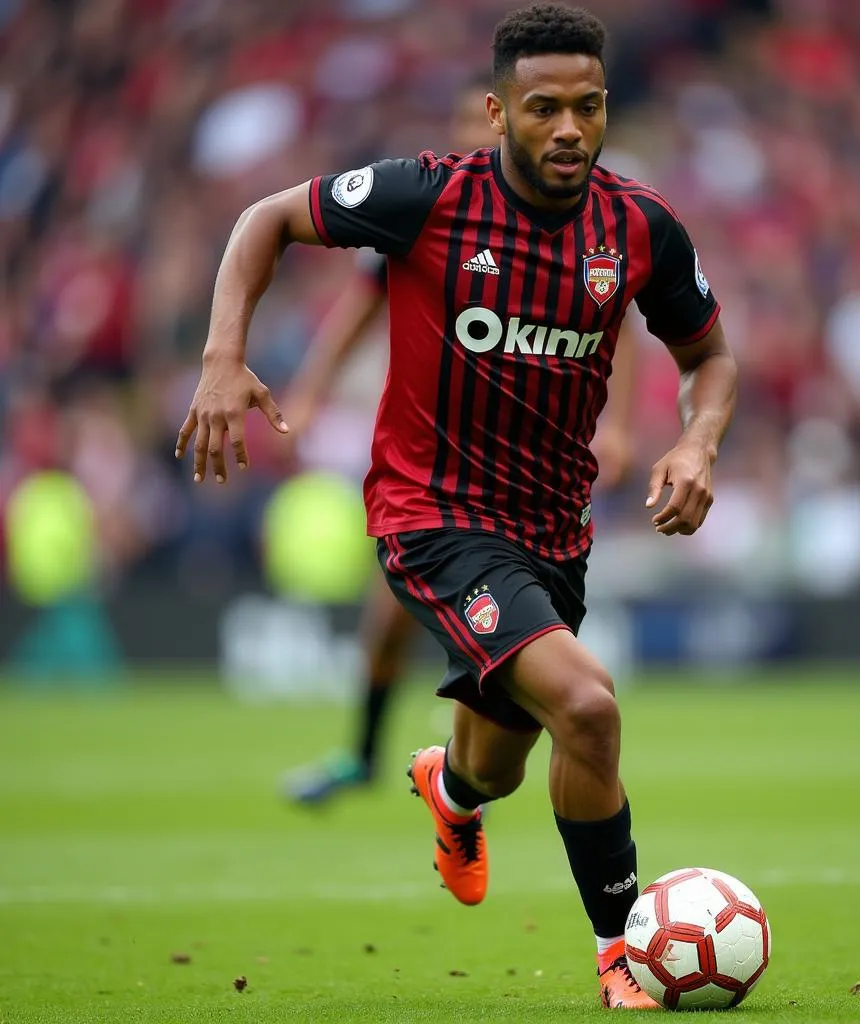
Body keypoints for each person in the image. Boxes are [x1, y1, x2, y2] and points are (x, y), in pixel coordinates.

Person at [175, 2, 736, 1009]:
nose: (568, 127)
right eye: (543, 108)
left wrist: (696, 438)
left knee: (502, 762)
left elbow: (710, 355)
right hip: (430, 515)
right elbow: (264, 218)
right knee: (590, 708)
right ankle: (622, 955)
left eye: (587, 106)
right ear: (499, 110)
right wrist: (224, 357)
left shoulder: (640, 228)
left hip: (551, 535)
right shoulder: (424, 197)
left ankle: (452, 787)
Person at [281, 73, 640, 807]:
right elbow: (361, 302)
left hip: (533, 487)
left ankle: (449, 776)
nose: (476, 139)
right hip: (436, 468)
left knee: (496, 736)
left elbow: (622, 317)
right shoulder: (428, 206)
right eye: (467, 126)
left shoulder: (575, 219)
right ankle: (365, 754)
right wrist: (312, 391)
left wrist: (625, 424)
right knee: (390, 616)